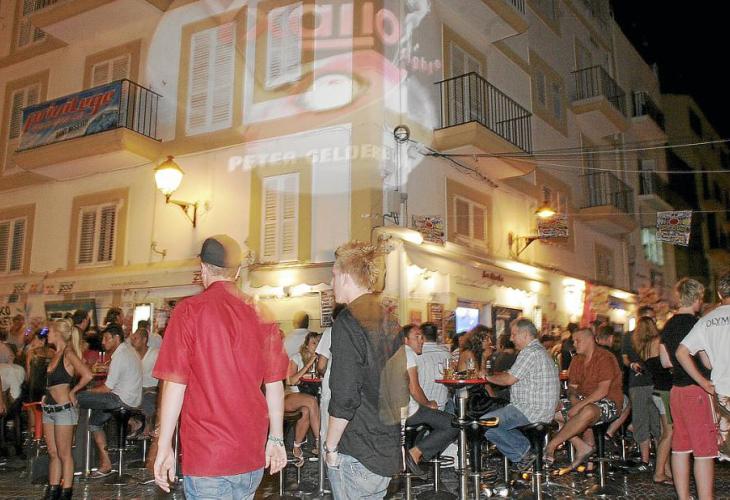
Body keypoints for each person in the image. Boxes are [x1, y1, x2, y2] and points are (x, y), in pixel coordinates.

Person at [153, 234, 289, 498]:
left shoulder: (189, 311)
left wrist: (164, 445)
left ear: (202, 268)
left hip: (208, 456)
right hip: (251, 455)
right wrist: (276, 438)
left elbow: (174, 384)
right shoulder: (261, 313)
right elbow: (275, 384)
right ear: (237, 272)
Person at [324, 240, 406, 499]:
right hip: (385, 446)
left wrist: (330, 446)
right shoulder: (389, 318)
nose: (331, 283)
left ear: (346, 276)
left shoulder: (347, 321)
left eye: (334, 275)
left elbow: (345, 394)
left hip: (358, 447)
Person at [675, 272, 730, 495]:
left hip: (722, 394)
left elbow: (681, 352)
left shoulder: (707, 320)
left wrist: (704, 382)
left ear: (719, 293)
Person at [661, 278, 714, 500]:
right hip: (696, 391)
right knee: (704, 451)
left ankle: (684, 497)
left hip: (676, 391)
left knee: (680, 447)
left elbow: (665, 361)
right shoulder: (697, 324)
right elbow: (707, 361)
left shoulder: (668, 324)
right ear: (696, 298)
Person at [482, 318, 560, 468]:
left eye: (514, 334)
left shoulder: (529, 352)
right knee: (493, 418)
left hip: (530, 410)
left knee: (485, 423)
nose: (511, 339)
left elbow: (509, 379)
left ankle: (525, 453)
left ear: (525, 334)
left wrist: (486, 377)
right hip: (542, 410)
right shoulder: (540, 351)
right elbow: (514, 375)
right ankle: (526, 454)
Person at [545, 328, 623, 469]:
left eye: (577, 340)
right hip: (583, 400)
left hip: (609, 401)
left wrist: (578, 406)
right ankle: (581, 446)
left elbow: (602, 391)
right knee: (549, 410)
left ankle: (552, 445)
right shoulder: (577, 359)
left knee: (587, 411)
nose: (574, 344)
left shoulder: (605, 358)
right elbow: (572, 387)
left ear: (589, 340)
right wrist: (574, 399)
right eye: (574, 341)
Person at [77, 323, 142, 477]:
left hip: (119, 400)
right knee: (94, 423)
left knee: (78, 397)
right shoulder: (129, 351)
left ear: (117, 338)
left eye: (107, 338)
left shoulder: (120, 355)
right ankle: (106, 464)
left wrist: (85, 392)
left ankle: (73, 440)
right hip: (131, 399)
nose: (103, 342)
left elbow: (107, 388)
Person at [41, 319, 93, 500]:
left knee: (64, 454)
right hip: (49, 409)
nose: (47, 334)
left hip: (63, 410)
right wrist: (46, 395)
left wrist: (73, 390)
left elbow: (88, 375)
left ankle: (66, 492)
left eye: (49, 331)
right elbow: (52, 382)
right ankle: (52, 490)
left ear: (57, 333)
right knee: (53, 453)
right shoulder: (55, 354)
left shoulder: (68, 353)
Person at [401, 324, 459, 475]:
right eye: (416, 337)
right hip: (406, 411)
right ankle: (413, 454)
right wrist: (428, 404)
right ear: (405, 340)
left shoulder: (394, 352)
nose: (421, 340)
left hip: (391, 411)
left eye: (422, 337)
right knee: (453, 423)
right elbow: (414, 389)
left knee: (433, 420)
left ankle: (411, 453)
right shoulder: (408, 353)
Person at [634, 317, 674, 484]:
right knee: (669, 433)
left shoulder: (644, 348)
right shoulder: (659, 342)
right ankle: (659, 473)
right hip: (665, 391)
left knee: (664, 434)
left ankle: (667, 471)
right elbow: (668, 364)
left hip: (657, 390)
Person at [623, 318, 662, 472]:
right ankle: (661, 460)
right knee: (657, 423)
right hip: (654, 383)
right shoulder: (657, 340)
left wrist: (632, 364)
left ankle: (645, 460)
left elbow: (624, 359)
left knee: (640, 421)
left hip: (637, 384)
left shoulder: (629, 338)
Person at [285, 331, 321, 462]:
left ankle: (297, 446)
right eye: (313, 343)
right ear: (306, 345)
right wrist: (308, 364)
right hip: (290, 396)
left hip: (306, 397)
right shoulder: (296, 357)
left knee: (306, 410)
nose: (316, 346)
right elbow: (291, 381)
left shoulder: (321, 360)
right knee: (311, 402)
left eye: (318, 343)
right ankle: (318, 442)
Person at [315, 303, 346, 444]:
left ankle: (328, 455)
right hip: (351, 388)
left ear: (333, 319)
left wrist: (324, 372)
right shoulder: (357, 332)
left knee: (327, 429)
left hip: (331, 386)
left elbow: (321, 365)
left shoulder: (330, 332)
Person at [129, 326, 159, 438]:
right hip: (136, 390)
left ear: (144, 340)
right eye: (132, 338)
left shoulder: (155, 354)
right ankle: (135, 424)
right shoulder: (131, 354)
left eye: (135, 338)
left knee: (147, 399)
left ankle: (146, 426)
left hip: (152, 389)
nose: (132, 341)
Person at [416, 321, 450, 411]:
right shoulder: (446, 353)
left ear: (422, 336)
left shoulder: (416, 353)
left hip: (419, 405)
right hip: (442, 405)